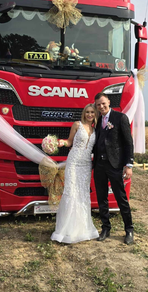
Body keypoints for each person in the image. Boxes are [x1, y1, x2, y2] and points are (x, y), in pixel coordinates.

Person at [51, 104, 99, 244]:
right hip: (73, 161)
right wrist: (61, 142)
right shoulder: (77, 125)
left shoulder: (96, 129)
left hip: (86, 164)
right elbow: (69, 141)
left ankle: (82, 229)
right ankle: (66, 230)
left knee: (83, 193)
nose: (89, 114)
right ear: (84, 113)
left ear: (95, 114)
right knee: (71, 192)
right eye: (87, 112)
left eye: (92, 112)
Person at [93, 92, 135, 245]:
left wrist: (128, 165)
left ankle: (129, 230)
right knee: (101, 198)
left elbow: (128, 143)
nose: (101, 106)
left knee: (121, 198)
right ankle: (105, 228)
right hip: (99, 165)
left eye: (103, 103)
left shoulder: (120, 118)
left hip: (115, 165)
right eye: (98, 105)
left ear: (109, 102)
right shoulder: (97, 121)